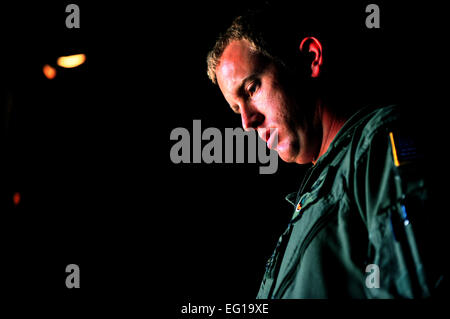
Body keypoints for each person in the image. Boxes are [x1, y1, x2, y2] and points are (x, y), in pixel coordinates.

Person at [206, 4, 445, 298]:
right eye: (236, 109)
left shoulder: (378, 144)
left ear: (310, 59)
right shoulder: (308, 203)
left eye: (252, 88)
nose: (246, 122)